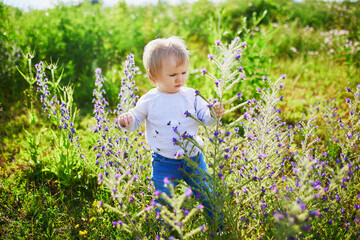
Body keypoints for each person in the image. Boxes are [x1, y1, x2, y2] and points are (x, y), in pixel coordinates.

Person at [118, 36, 224, 231]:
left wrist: (212, 113)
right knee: (164, 200)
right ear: (153, 76)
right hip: (164, 162)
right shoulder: (149, 100)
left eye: (183, 72)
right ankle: (166, 231)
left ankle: (219, 227)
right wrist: (128, 120)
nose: (180, 78)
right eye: (173, 74)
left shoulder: (191, 95)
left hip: (193, 158)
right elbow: (136, 118)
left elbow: (205, 118)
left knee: (208, 194)